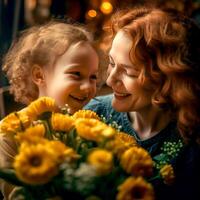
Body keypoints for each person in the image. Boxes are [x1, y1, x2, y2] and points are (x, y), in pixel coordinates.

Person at [84, 6, 200, 200]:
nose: (110, 80)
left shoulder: (191, 141)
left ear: (166, 80)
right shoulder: (92, 116)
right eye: (112, 63)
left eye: (129, 72)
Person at [0, 21, 99, 199]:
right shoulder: (9, 133)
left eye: (93, 77)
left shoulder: (91, 129)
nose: (87, 87)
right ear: (39, 75)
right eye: (76, 74)